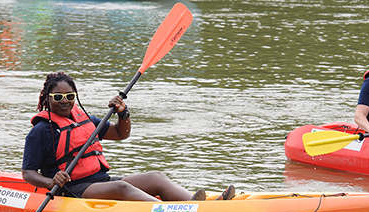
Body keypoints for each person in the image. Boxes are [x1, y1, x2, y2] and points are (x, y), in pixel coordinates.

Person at [21, 72, 235, 201]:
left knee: (156, 177)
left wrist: (123, 113)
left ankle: (197, 205)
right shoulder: (40, 131)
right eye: (58, 97)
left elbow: (121, 133)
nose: (64, 101)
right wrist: (51, 182)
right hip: (71, 188)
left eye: (69, 96)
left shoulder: (85, 118)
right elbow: (28, 173)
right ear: (47, 99)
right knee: (121, 187)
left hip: (99, 181)